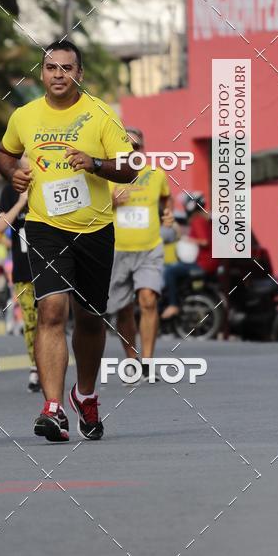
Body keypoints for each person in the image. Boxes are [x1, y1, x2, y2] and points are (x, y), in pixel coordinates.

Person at [0, 40, 135, 442]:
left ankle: (85, 395)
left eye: (67, 68)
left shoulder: (99, 114)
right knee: (52, 310)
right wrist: (12, 174)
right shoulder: (25, 116)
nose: (59, 75)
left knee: (90, 318)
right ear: (42, 73)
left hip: (93, 229)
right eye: (52, 68)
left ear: (80, 73)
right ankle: (52, 408)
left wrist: (94, 164)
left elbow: (130, 167)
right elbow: (4, 154)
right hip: (44, 226)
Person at [107, 127, 174, 382]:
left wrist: (167, 215)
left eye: (136, 147)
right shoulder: (108, 176)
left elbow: (167, 199)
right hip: (117, 250)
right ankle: (131, 359)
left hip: (149, 248)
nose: (131, 152)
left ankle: (147, 361)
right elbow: (94, 207)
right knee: (123, 308)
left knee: (148, 300)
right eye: (127, 147)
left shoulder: (156, 175)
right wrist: (111, 202)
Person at [0, 157, 40, 391]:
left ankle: (49, 365)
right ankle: (36, 367)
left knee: (50, 318)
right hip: (23, 268)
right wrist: (21, 202)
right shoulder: (9, 191)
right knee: (30, 321)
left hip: (50, 266)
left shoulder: (45, 185)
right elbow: (0, 226)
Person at [162, 192, 219, 319]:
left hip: (203, 263)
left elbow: (204, 241)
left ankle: (173, 305)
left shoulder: (198, 220)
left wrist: (188, 239)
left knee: (169, 271)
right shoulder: (205, 219)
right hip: (209, 262)